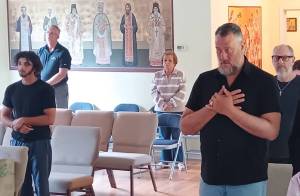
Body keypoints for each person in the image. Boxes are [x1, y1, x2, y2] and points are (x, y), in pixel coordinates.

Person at [181, 23, 281, 196]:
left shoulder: (264, 82)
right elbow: (185, 126)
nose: (223, 56)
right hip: (211, 178)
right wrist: (212, 108)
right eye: (218, 50)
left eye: (228, 49)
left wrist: (230, 111)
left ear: (243, 46)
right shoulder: (205, 80)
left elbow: (272, 131)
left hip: (249, 180)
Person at [1, 51, 56, 196]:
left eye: (26, 64)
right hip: (17, 143)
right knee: (20, 186)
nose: (21, 67)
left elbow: (50, 118)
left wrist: (24, 119)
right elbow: (3, 115)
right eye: (19, 64)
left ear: (35, 67)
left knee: (41, 185)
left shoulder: (46, 89)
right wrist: (14, 124)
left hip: (40, 142)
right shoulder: (11, 89)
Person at [268, 45, 300, 175]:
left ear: (293, 60)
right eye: (277, 58)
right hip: (268, 152)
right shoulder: (266, 85)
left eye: (285, 58)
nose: (280, 62)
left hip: (294, 153)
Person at [151, 50, 186, 170]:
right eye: (165, 60)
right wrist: (162, 104)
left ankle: (179, 161)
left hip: (177, 110)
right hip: (161, 110)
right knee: (164, 136)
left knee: (177, 137)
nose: (167, 62)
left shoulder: (180, 74)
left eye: (170, 60)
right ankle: (165, 161)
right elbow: (153, 92)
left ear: (174, 63)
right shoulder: (156, 75)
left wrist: (171, 103)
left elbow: (182, 92)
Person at [37, 25, 72, 108]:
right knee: (43, 114)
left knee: (60, 116)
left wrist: (45, 84)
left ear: (58, 36)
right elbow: (36, 70)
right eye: (48, 32)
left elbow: (62, 74)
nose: (49, 35)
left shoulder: (63, 52)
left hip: (58, 89)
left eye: (52, 33)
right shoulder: (41, 51)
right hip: (42, 90)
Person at [93, 0, 112, 64]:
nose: (100, 9)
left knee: (105, 47)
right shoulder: (96, 17)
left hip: (104, 36)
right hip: (98, 36)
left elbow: (108, 26)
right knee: (99, 48)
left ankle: (106, 61)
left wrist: (105, 29)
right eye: (99, 8)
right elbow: (95, 27)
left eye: (101, 8)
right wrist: (98, 30)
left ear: (103, 8)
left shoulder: (105, 16)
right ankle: (99, 61)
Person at [147, 2, 166, 66]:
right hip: (153, 34)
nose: (155, 10)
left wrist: (160, 27)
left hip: (159, 34)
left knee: (159, 46)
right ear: (153, 9)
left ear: (158, 9)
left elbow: (163, 26)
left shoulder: (161, 17)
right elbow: (148, 26)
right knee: (153, 47)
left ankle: (160, 60)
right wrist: (152, 26)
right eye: (154, 9)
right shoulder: (151, 17)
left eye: (156, 9)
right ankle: (153, 61)